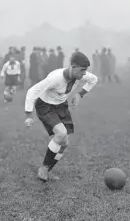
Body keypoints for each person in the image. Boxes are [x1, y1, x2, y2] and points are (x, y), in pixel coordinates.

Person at [24, 52, 98, 182]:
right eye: (82, 70)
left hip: (60, 106)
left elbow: (94, 80)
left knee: (64, 143)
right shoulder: (55, 78)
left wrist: (80, 94)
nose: (84, 74)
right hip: (45, 106)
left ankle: (47, 171)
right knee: (61, 133)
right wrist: (29, 115)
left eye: (85, 70)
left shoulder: (80, 75)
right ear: (73, 67)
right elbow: (32, 91)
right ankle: (44, 168)